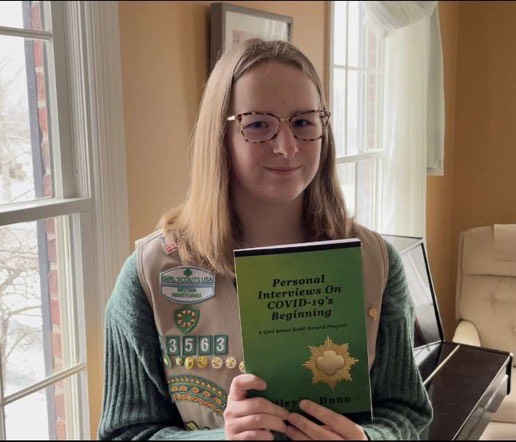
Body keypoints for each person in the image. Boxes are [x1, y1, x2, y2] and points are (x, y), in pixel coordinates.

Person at [98, 38, 433, 440]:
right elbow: (125, 433)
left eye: (304, 122)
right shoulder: (149, 276)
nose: (287, 146)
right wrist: (223, 438)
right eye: (257, 124)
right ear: (218, 137)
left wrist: (367, 439)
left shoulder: (375, 263)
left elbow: (407, 413)